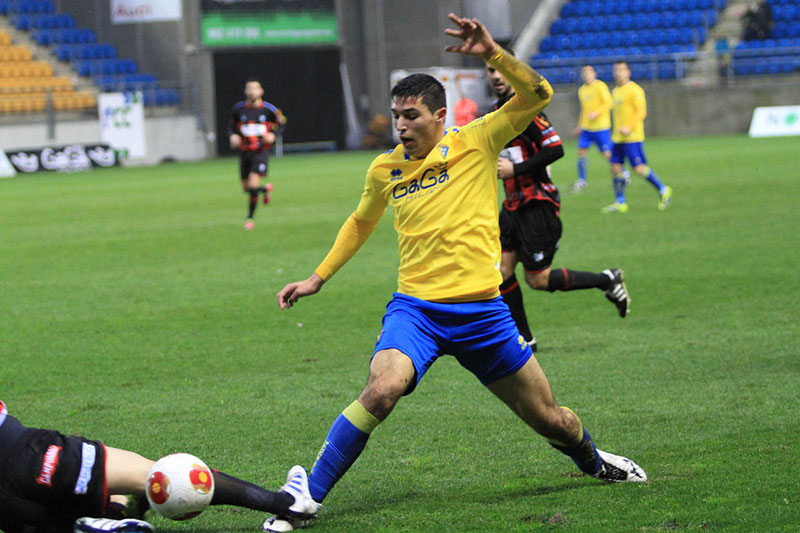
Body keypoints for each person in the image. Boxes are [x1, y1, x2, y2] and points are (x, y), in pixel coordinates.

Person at [269, 13, 646, 532]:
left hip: (484, 315)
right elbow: (360, 222)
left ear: (439, 115)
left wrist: (492, 51)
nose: (400, 126)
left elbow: (537, 94)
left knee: (550, 418)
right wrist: (318, 277)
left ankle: (595, 462)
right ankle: (305, 497)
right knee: (382, 388)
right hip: (416, 311)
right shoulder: (385, 168)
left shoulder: (478, 140)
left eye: (410, 116)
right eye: (395, 116)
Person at [0, 400, 317, 533]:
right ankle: (289, 502)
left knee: (44, 522)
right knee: (165, 476)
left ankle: (97, 523)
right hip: (27, 454)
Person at [485, 62, 631, 351]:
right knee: (500, 272)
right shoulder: (493, 113)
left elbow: (556, 148)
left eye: (502, 70)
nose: (497, 76)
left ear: (514, 73)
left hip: (538, 203)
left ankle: (607, 279)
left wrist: (517, 169)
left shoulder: (528, 110)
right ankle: (525, 339)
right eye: (490, 71)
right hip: (512, 206)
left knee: (537, 279)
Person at [602, 61, 672, 213]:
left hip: (632, 137)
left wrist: (629, 127)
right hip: (618, 137)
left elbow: (641, 112)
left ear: (628, 72)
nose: (618, 73)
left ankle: (662, 189)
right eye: (616, 70)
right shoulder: (615, 91)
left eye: (621, 70)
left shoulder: (635, 90)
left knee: (639, 169)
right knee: (615, 168)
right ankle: (620, 201)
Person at [228, 77, 286, 230]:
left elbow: (281, 124)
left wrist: (274, 135)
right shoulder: (238, 109)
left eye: (255, 88)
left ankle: (250, 218)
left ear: (261, 91)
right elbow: (231, 127)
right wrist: (232, 136)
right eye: (249, 89)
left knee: (253, 184)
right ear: (246, 91)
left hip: (260, 152)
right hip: (244, 153)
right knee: (246, 188)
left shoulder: (269, 110)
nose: (252, 92)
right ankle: (265, 189)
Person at [571, 64, 612, 192]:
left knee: (607, 154)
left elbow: (609, 103)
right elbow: (584, 110)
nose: (586, 75)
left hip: (601, 127)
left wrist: (597, 112)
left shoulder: (600, 86)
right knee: (581, 152)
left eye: (588, 72)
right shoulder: (582, 90)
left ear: (594, 73)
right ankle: (582, 180)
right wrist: (580, 125)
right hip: (587, 128)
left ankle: (622, 172)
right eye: (584, 73)